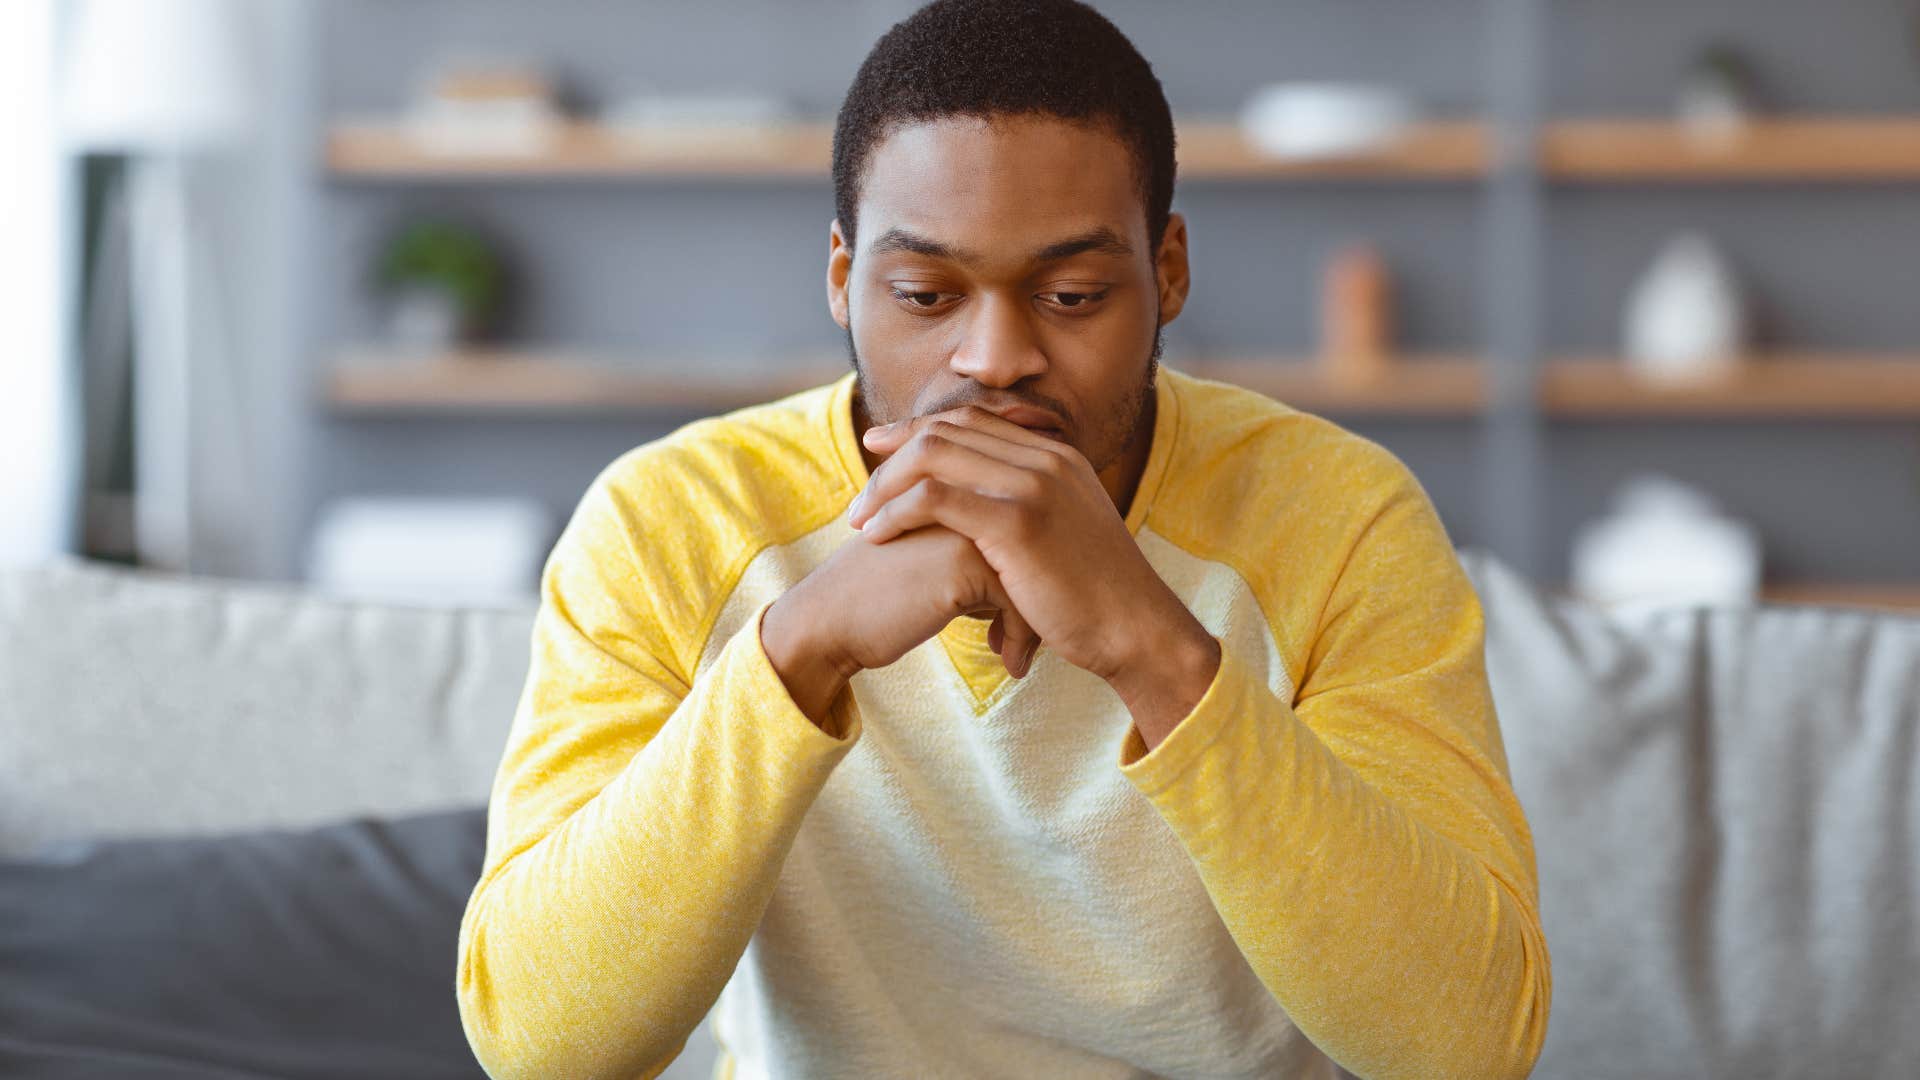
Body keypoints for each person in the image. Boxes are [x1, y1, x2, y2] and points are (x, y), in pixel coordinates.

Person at [455, 1, 1551, 1077]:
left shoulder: (1342, 517)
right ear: (844, 278)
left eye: (1071, 294)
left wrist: (1153, 651)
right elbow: (544, 1048)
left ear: (1166, 271)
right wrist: (798, 653)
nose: (995, 356)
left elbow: (1466, 1048)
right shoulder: (670, 522)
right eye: (926, 293)